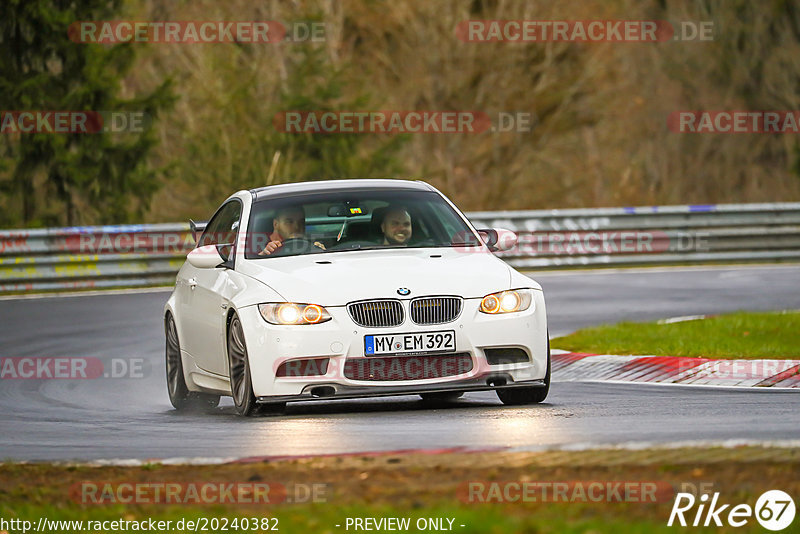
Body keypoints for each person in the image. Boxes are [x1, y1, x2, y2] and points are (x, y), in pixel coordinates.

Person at [259, 205, 325, 255]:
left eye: (301, 222)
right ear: (276, 224)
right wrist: (263, 254)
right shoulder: (257, 244)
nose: (297, 227)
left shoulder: (310, 243)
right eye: (289, 222)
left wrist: (320, 252)